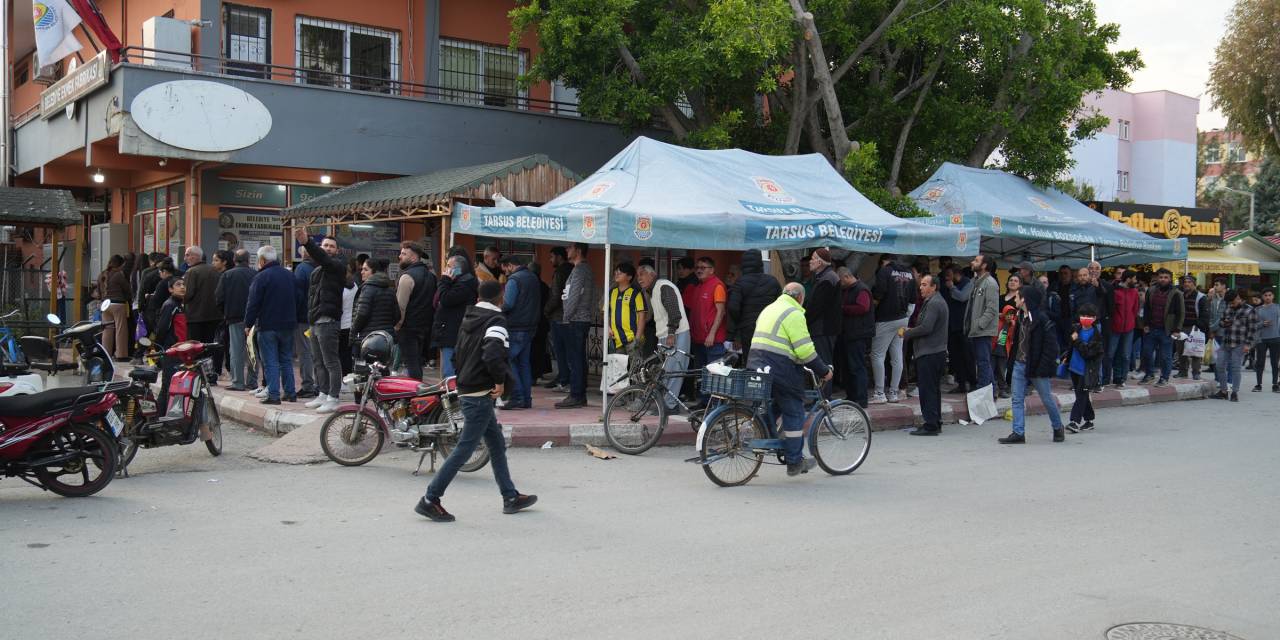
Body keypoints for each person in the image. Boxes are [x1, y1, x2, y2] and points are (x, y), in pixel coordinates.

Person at [415, 280, 537, 522]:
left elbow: (458, 353)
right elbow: (493, 353)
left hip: (467, 387)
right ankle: (430, 498)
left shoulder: (469, 316)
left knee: (496, 443)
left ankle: (510, 496)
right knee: (465, 448)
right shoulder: (496, 321)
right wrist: (499, 381)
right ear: (500, 297)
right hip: (480, 393)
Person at [747, 283, 832, 475]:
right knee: (794, 410)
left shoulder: (769, 308)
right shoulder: (793, 313)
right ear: (800, 298)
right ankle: (794, 462)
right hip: (779, 367)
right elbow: (804, 349)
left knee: (777, 403)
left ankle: (768, 437)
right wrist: (823, 370)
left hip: (757, 362)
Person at [998, 287, 1067, 444]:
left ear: (1024, 300)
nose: (1014, 300)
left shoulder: (1042, 319)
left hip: (1036, 367)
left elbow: (1051, 347)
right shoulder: (1019, 316)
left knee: (1046, 398)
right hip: (1019, 363)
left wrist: (1042, 368)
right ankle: (1018, 433)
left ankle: (1057, 427)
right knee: (1016, 399)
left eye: (1017, 297)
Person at [295, 229, 347, 414]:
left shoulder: (337, 266)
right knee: (318, 361)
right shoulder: (317, 270)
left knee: (331, 361)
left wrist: (307, 242)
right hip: (315, 321)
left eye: (331, 246)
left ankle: (333, 397)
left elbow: (324, 259)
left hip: (328, 320)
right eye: (325, 245)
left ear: (337, 251)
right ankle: (323, 394)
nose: (328, 248)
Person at [245, 245, 298, 405]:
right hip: (288, 324)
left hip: (268, 325)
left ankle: (274, 394)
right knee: (286, 360)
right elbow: (299, 298)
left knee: (270, 361)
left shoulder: (261, 277)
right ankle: (290, 393)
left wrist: (248, 323)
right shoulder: (289, 275)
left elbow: (253, 303)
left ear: (261, 260)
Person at [637, 264, 689, 410]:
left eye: (642, 274)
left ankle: (671, 405)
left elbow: (674, 312)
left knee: (673, 371)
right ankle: (666, 403)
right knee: (666, 371)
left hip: (676, 333)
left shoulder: (663, 287)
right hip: (665, 335)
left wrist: (671, 333)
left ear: (651, 275)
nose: (639, 278)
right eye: (638, 275)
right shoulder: (653, 290)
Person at [901, 274, 948, 436]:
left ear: (934, 287)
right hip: (934, 352)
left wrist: (908, 332)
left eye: (924, 284)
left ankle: (930, 425)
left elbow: (926, 327)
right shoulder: (934, 301)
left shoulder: (934, 303)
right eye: (920, 285)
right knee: (933, 389)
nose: (921, 288)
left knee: (928, 390)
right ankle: (935, 421)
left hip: (930, 353)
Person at [869, 254, 915, 404]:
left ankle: (879, 393)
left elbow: (879, 293)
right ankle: (894, 392)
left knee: (877, 355)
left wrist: (872, 309)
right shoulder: (910, 273)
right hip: (903, 320)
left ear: (884, 261)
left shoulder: (884, 271)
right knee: (897, 356)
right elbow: (913, 300)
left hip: (885, 320)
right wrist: (906, 317)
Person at [557, 242, 595, 409]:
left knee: (575, 359)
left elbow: (573, 297)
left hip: (576, 319)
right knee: (578, 358)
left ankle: (576, 394)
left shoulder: (580, 269)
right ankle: (578, 393)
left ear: (578, 250)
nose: (566, 250)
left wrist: (566, 317)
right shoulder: (582, 269)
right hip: (580, 318)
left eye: (569, 247)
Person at [501, 255, 541, 410]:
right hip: (530, 327)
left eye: (505, 268)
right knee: (524, 363)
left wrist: (497, 307)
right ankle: (526, 399)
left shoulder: (514, 280)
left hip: (516, 327)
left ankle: (517, 396)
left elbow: (508, 304)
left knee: (509, 361)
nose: (504, 272)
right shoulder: (532, 277)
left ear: (510, 265)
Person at [726, 249, 781, 361]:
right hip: (769, 329)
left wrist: (736, 331)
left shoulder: (740, 283)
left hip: (748, 329)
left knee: (750, 360)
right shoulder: (773, 281)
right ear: (760, 263)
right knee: (767, 360)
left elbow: (733, 307)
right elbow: (780, 305)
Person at [686, 256, 728, 398]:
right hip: (698, 339)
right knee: (702, 374)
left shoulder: (717, 286)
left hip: (713, 340)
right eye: (697, 268)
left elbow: (721, 312)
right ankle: (704, 403)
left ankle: (715, 406)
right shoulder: (698, 287)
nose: (699, 270)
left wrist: (712, 334)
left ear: (712, 270)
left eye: (703, 268)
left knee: (714, 375)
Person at [395, 241, 436, 380]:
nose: (400, 256)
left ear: (414, 258)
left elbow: (400, 305)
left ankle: (415, 394)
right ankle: (418, 391)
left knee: (412, 363)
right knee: (417, 362)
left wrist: (397, 325)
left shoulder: (407, 277)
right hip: (425, 327)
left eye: (403, 254)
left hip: (408, 327)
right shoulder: (431, 276)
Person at [433, 253, 479, 379]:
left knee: (449, 371)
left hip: (452, 332)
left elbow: (446, 299)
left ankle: (452, 396)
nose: (446, 270)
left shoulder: (464, 284)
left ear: (458, 269)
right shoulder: (460, 282)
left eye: (448, 266)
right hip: (450, 330)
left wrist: (444, 280)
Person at [215, 249, 255, 391]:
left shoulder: (227, 275)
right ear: (249, 259)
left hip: (234, 318)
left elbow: (219, 297)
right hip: (253, 319)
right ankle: (252, 381)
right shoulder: (255, 274)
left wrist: (225, 313)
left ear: (234, 259)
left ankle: (238, 382)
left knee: (236, 350)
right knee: (252, 351)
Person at [962, 254, 1001, 399]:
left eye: (976, 261)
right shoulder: (978, 281)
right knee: (983, 361)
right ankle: (993, 390)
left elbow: (991, 309)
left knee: (983, 362)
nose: (972, 262)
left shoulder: (990, 283)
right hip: (976, 329)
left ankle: (982, 392)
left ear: (984, 265)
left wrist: (979, 325)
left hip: (982, 330)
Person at [804, 248, 841, 392]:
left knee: (823, 365)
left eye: (813, 258)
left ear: (820, 262)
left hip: (823, 329)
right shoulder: (824, 277)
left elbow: (816, 308)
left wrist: (804, 321)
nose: (810, 261)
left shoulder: (827, 279)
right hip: (822, 329)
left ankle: (824, 399)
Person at [837, 267, 873, 406]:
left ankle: (861, 399)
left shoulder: (861, 289)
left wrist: (843, 308)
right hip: (848, 334)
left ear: (847, 277)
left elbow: (863, 307)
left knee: (857, 367)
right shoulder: (846, 290)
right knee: (847, 368)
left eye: (841, 280)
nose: (840, 283)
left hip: (858, 334)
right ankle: (851, 396)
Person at [1140, 268, 1183, 387]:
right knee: (1147, 353)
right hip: (1152, 328)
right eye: (1161, 277)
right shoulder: (1151, 290)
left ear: (1170, 279)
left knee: (1165, 356)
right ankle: (1149, 375)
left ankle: (1164, 378)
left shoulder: (1176, 293)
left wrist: (1177, 329)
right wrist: (1146, 324)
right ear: (1157, 278)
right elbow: (1147, 309)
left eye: (1166, 277)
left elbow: (1180, 312)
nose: (1163, 279)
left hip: (1167, 330)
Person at [1212, 289, 1257, 402]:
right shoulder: (1228, 307)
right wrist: (1224, 323)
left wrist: (1248, 344)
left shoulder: (1249, 310)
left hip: (1240, 343)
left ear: (1238, 298)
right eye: (1229, 303)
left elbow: (1252, 330)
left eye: (1232, 302)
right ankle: (1223, 391)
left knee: (1235, 368)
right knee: (1219, 366)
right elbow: (1221, 322)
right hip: (1226, 342)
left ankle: (1234, 392)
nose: (1231, 305)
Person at [1067, 304, 1104, 433]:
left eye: (1089, 316)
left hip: (1087, 370)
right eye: (1083, 315)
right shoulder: (1076, 328)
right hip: (1074, 368)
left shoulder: (1096, 335)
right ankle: (1089, 420)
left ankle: (1074, 421)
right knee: (1081, 395)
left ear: (1094, 318)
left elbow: (1089, 353)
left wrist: (1077, 341)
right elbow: (1070, 346)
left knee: (1081, 395)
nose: (1085, 318)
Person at [153, 276, 188, 410]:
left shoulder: (180, 305)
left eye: (184, 284)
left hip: (180, 352)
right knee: (168, 385)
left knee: (174, 385)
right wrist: (159, 349)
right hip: (170, 352)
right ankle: (161, 417)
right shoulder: (170, 305)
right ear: (170, 289)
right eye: (178, 285)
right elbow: (162, 329)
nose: (182, 287)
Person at [182, 246, 221, 362]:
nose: (185, 258)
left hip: (195, 316)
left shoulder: (191, 272)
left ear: (196, 256)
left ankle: (197, 372)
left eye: (188, 255)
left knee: (195, 347)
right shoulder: (215, 270)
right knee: (209, 346)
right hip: (214, 315)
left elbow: (187, 294)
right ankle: (211, 372)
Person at [544, 246, 574, 392]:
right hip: (569, 316)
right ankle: (565, 377)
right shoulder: (573, 269)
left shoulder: (560, 272)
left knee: (561, 351)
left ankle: (564, 379)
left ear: (559, 257)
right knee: (569, 350)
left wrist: (546, 311)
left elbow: (555, 296)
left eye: (552, 257)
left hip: (558, 316)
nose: (550, 260)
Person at [352, 257, 401, 341]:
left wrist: (354, 332)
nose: (361, 272)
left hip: (369, 339)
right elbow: (397, 315)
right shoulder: (390, 289)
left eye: (365, 269)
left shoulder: (367, 289)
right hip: (388, 337)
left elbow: (361, 314)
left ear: (374, 272)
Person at [292, 243, 318, 399]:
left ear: (304, 254)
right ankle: (320, 385)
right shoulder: (320, 267)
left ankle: (308, 385)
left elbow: (298, 295)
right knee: (317, 352)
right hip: (318, 316)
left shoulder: (302, 269)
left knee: (305, 352)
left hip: (304, 317)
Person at [1106, 270, 1140, 389]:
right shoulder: (1115, 291)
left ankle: (1121, 378)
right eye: (1134, 279)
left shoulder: (1134, 292)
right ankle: (1107, 377)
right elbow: (1111, 309)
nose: (1135, 281)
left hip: (1129, 328)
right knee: (1110, 354)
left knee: (1125, 355)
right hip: (1115, 327)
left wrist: (1131, 321)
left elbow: (1135, 309)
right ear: (1128, 279)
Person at [1174, 275, 1210, 380]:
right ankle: (1182, 372)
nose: (1186, 284)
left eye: (1189, 282)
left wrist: (1199, 325)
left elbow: (1205, 314)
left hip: (1195, 328)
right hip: (1181, 327)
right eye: (1185, 282)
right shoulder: (1181, 295)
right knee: (1181, 351)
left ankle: (1196, 373)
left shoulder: (1201, 297)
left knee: (1195, 350)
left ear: (1194, 284)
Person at [96, 255, 132, 361]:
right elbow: (127, 289)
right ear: (120, 265)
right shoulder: (118, 275)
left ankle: (106, 354)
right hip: (118, 304)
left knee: (107, 330)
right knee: (121, 330)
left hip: (105, 305)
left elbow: (98, 291)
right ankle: (121, 355)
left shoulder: (101, 275)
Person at [607, 261, 647, 353]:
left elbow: (642, 317)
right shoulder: (611, 292)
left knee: (634, 367)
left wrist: (637, 339)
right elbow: (606, 313)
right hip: (616, 340)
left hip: (632, 340)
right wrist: (608, 328)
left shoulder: (636, 293)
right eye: (616, 272)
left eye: (620, 272)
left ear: (629, 277)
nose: (617, 274)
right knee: (618, 367)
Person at [1251, 288, 1279, 393]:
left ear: (1273, 296)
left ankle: (1275, 384)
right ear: (1262, 297)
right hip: (1261, 339)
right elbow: (1252, 325)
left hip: (1276, 338)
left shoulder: (1278, 308)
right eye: (1265, 295)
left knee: (1274, 363)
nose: (1267, 297)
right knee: (1260, 363)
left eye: (1270, 295)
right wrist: (1262, 324)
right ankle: (1258, 384)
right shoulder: (1257, 310)